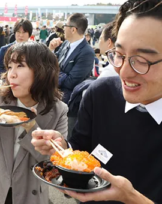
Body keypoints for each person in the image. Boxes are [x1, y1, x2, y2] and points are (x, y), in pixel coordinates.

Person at [31, 0, 162, 203]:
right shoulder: (100, 94)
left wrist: (133, 198)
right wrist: (65, 150)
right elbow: (82, 151)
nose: (124, 72)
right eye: (119, 54)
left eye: (142, 60)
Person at [0, 41, 68, 204]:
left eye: (20, 65)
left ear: (42, 71)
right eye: (10, 67)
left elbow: (52, 163)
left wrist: (31, 127)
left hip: (28, 193)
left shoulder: (58, 110)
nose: (12, 74)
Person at [49, 13, 94, 104]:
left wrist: (52, 74)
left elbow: (71, 82)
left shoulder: (87, 52)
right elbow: (53, 61)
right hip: (54, 98)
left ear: (73, 29)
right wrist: (51, 50)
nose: (63, 28)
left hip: (69, 103)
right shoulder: (66, 43)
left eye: (65, 25)